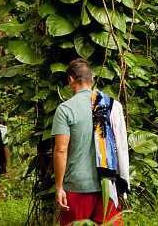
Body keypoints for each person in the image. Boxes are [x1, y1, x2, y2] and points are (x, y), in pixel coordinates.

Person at [52, 58, 130, 226]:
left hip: (76, 187)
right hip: (107, 185)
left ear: (71, 80)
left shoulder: (66, 109)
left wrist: (59, 187)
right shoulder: (110, 105)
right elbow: (121, 146)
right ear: (92, 79)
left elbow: (61, 151)